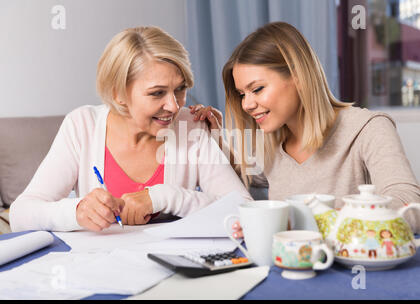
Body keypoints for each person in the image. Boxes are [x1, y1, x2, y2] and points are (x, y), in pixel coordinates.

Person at [10, 26, 251, 232]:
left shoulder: (191, 126)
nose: (174, 105)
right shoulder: (82, 126)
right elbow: (20, 215)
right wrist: (76, 211)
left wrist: (164, 197)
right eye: (157, 93)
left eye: (180, 88)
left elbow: (244, 212)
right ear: (118, 93)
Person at [190, 21, 420, 238]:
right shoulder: (271, 142)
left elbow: (409, 204)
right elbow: (243, 174)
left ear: (298, 76)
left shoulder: (369, 128)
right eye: (242, 94)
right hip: (289, 270)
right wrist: (216, 138)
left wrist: (304, 222)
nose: (246, 104)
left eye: (257, 89)